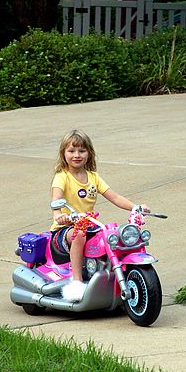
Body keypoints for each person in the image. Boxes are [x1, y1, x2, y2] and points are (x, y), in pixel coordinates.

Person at [50, 129, 150, 301]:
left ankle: (110, 274)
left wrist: (136, 207)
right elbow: (56, 199)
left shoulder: (93, 177)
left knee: (112, 236)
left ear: (89, 153)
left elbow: (115, 197)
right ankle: (77, 281)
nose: (77, 155)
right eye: (71, 151)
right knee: (78, 234)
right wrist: (59, 214)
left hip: (90, 224)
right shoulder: (62, 177)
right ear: (63, 153)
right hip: (65, 228)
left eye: (81, 151)